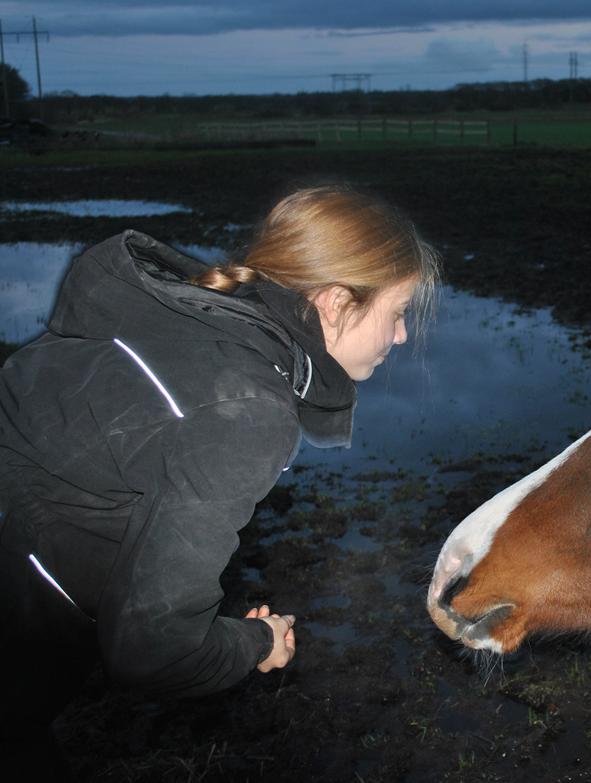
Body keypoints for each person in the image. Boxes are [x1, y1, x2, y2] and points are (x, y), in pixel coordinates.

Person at [0, 185, 440, 775]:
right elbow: (154, 651)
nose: (402, 336)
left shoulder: (179, 318)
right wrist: (258, 645)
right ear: (336, 302)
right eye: (399, 312)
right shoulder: (247, 408)